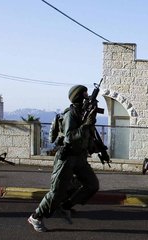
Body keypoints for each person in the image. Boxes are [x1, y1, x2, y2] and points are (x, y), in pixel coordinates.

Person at [27, 85, 100, 232]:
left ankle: (65, 206)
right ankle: (36, 216)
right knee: (56, 192)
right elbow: (70, 137)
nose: (87, 95)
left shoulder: (83, 113)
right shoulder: (70, 114)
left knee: (92, 185)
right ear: (78, 96)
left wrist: (94, 145)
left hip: (79, 157)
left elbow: (87, 134)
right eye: (85, 93)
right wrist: (86, 125)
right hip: (66, 157)